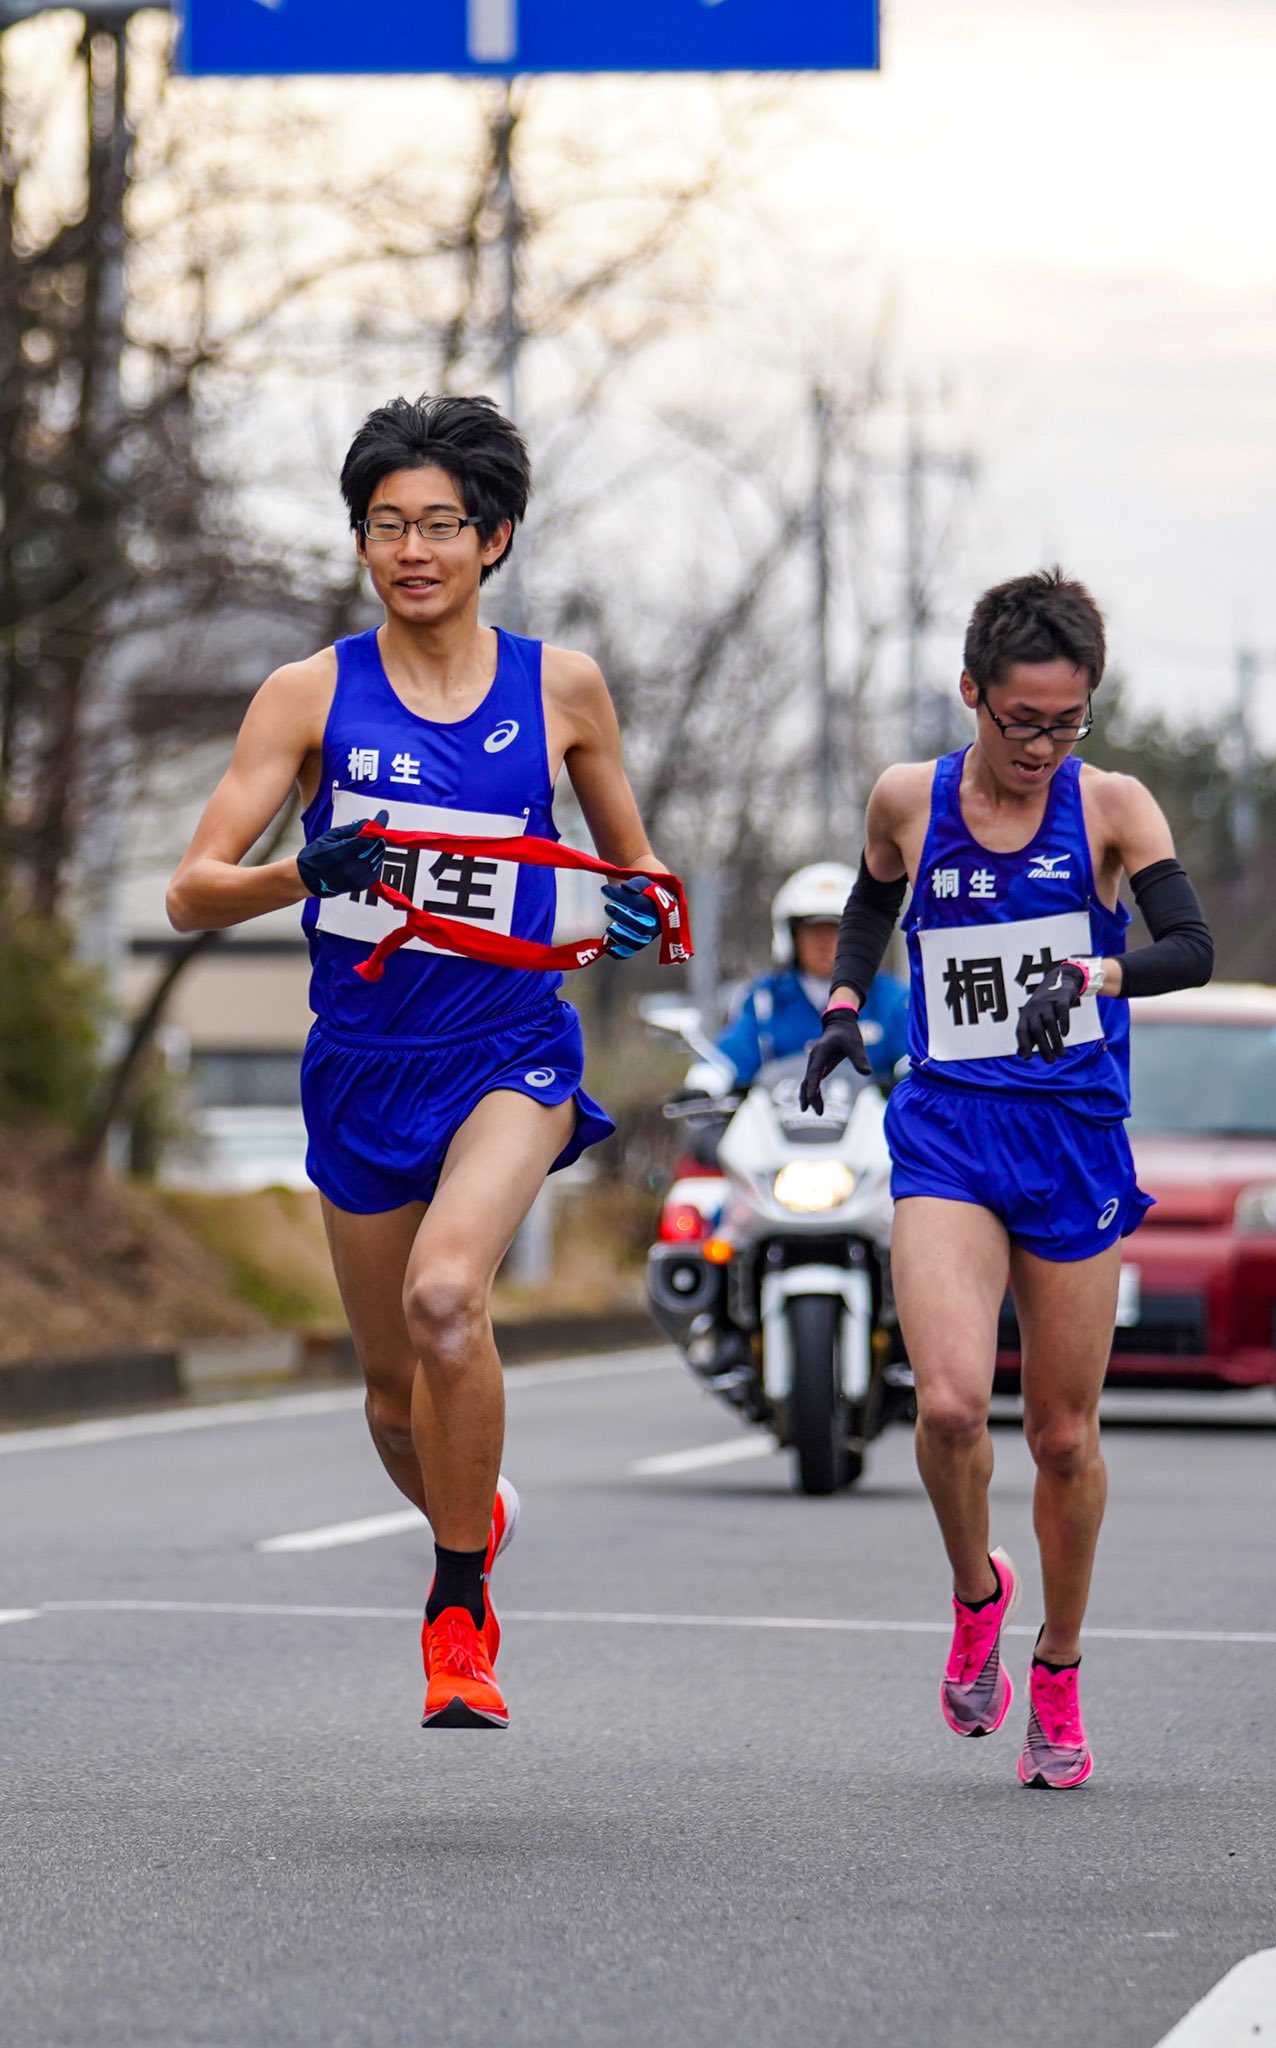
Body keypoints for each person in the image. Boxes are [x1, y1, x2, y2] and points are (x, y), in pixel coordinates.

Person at [167, 393, 673, 1732]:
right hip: (362, 1063)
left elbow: (640, 873)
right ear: (360, 542)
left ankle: (459, 1610)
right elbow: (191, 892)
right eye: (386, 525)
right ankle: (472, 1506)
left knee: (453, 1298)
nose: (412, 550)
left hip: (508, 1047)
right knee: (395, 1396)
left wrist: (639, 906)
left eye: (440, 525)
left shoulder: (559, 690)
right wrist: (300, 867)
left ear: (494, 538)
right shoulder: (309, 695)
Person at [800, 568, 1213, 1788]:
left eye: (1065, 720)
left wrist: (1093, 978)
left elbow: (1188, 946)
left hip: (1072, 1139)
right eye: (1019, 719)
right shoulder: (905, 797)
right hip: (948, 1128)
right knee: (945, 1406)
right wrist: (839, 1003)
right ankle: (976, 1591)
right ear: (969, 693)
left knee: (1063, 1433)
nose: (1040, 745)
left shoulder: (1110, 806)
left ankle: (1059, 1664)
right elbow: (875, 895)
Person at [714, 863, 909, 1090]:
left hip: (871, 1124)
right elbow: (727, 1060)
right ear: (792, 936)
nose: (825, 942)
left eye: (838, 929)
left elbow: (914, 1061)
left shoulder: (893, 999)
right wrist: (704, 1082)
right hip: (776, 1124)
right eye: (814, 930)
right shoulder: (763, 1001)